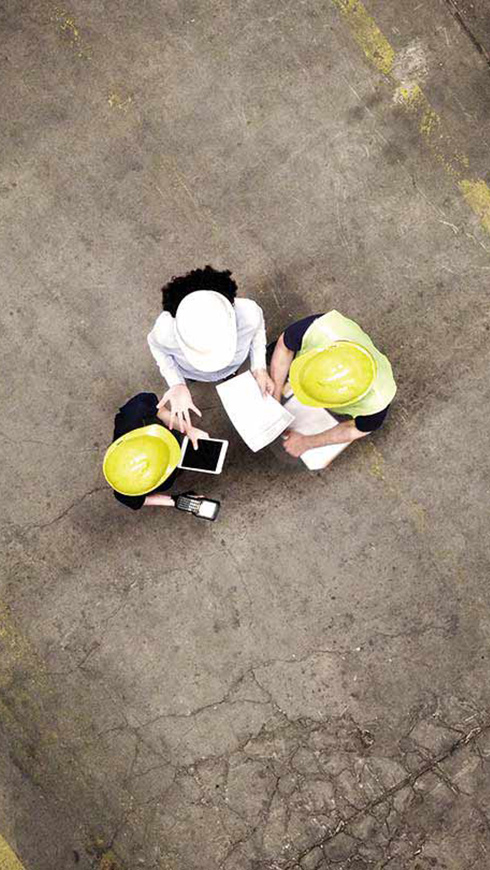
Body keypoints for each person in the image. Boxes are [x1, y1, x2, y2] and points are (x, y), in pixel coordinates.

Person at [147, 266, 274, 436]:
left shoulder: (249, 314)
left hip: (233, 367)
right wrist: (177, 383)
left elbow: (258, 331)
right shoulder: (164, 332)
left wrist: (259, 367)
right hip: (192, 373)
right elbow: (156, 347)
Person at [270, 310, 397, 460]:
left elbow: (355, 429)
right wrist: (275, 397)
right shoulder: (320, 328)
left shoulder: (378, 402)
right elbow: (284, 346)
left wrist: (306, 443)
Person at [103, 392, 207, 510]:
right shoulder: (126, 489)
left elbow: (156, 408)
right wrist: (176, 501)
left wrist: (188, 429)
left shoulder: (131, 417)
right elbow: (133, 500)